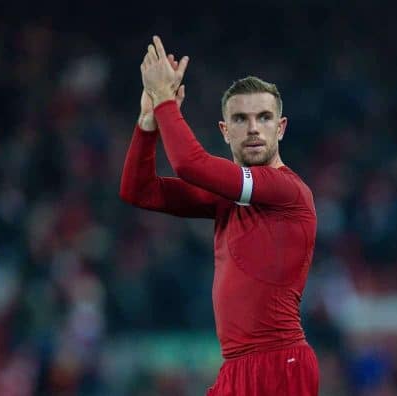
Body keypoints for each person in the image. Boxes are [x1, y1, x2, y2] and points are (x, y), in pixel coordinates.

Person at [120, 35, 319, 395]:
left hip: (278, 363)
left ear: (281, 127)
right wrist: (148, 120)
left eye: (264, 117)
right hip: (236, 368)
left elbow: (188, 164)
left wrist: (166, 100)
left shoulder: (286, 190)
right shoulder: (228, 198)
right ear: (225, 132)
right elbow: (139, 190)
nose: (254, 128)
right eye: (241, 119)